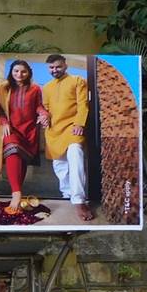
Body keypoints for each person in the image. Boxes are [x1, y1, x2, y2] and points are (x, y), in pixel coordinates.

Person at [42, 54, 92, 221]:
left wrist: (79, 124)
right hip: (54, 130)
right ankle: (66, 194)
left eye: (58, 66)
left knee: (75, 154)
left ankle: (79, 200)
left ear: (65, 65)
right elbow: (46, 108)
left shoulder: (77, 80)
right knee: (60, 165)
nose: (55, 70)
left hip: (73, 127)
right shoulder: (47, 87)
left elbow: (83, 104)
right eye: (51, 68)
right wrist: (44, 118)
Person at [0, 59, 49, 213]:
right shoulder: (2, 89)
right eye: (16, 71)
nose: (20, 74)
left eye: (23, 71)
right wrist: (4, 122)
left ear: (28, 73)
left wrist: (43, 114)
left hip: (29, 130)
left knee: (22, 160)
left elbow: (39, 106)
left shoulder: (35, 89)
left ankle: (18, 192)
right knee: (13, 150)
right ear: (11, 72)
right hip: (11, 129)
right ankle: (16, 194)